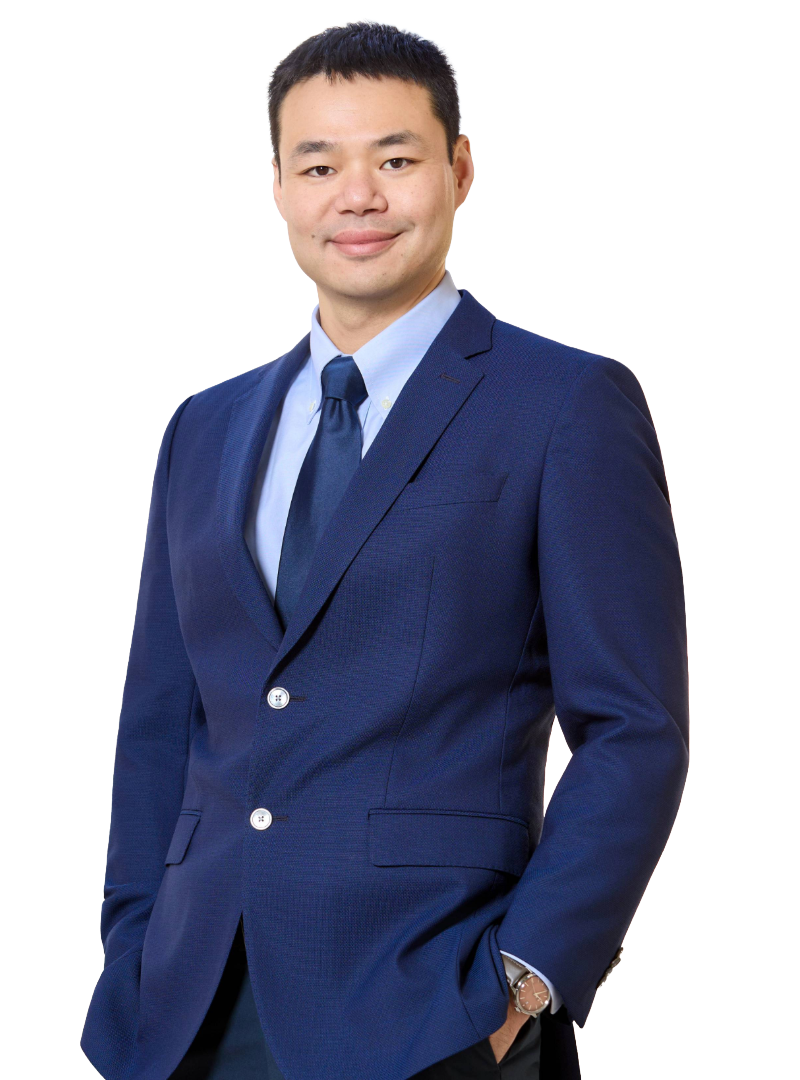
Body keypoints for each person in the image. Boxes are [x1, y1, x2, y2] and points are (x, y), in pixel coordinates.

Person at [80, 18, 689, 1080]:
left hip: (426, 1009)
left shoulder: (565, 406)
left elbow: (632, 728)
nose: (354, 196)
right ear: (280, 189)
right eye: (318, 164)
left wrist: (524, 979)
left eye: (393, 159)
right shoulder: (204, 425)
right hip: (181, 1011)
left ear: (457, 175)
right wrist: (129, 946)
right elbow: (158, 727)